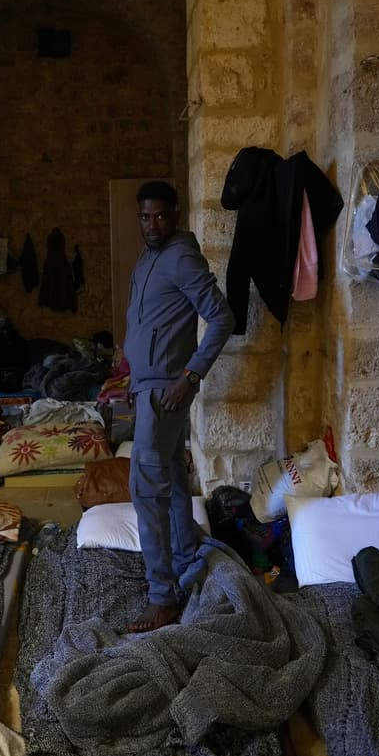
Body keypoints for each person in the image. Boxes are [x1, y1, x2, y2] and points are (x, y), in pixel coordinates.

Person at [123, 181, 234, 632]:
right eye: (145, 217)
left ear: (176, 213)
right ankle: (187, 560)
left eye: (161, 217)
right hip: (147, 387)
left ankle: (161, 597)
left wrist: (190, 375)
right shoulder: (148, 257)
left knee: (145, 491)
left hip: (165, 392)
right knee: (169, 479)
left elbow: (222, 317)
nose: (152, 225)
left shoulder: (182, 257)